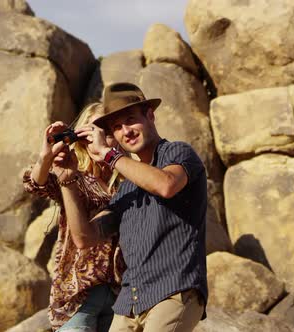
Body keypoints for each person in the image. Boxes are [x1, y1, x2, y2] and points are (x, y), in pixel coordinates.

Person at [60, 82, 208, 332]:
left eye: (130, 120)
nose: (125, 131)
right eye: (117, 127)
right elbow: (84, 238)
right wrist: (67, 181)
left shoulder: (179, 153)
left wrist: (109, 155)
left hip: (173, 292)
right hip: (129, 303)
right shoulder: (126, 189)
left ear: (150, 115)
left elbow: (165, 185)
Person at [23, 102, 125, 332]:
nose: (100, 136)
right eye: (93, 129)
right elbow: (35, 184)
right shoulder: (73, 176)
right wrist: (45, 157)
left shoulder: (127, 181)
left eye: (108, 130)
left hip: (120, 295)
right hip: (78, 296)